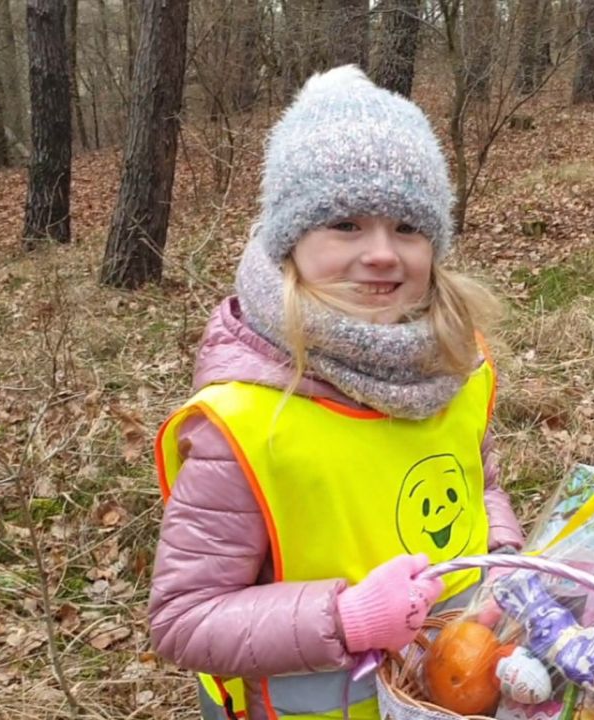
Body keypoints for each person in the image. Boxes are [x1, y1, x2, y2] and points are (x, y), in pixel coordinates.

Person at [149, 65, 523, 720]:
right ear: (290, 243)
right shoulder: (245, 420)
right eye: (345, 224)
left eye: (407, 227)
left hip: (452, 695)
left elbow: (477, 485)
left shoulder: (459, 367)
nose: (382, 253)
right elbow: (184, 619)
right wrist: (346, 618)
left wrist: (507, 559)